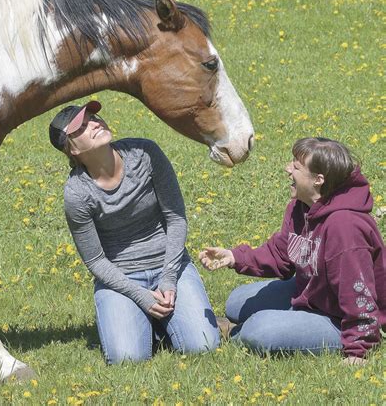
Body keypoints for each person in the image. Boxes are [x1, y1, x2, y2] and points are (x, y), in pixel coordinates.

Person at [49, 101, 219, 364]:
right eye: (82, 126)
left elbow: (175, 219)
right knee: (127, 359)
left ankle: (164, 320)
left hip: (169, 265)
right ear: (70, 148)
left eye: (94, 117)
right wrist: (138, 295)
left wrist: (169, 277)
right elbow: (95, 261)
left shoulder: (144, 153)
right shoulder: (77, 193)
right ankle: (148, 319)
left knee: (203, 346)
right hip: (122, 278)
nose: (96, 123)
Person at [199, 137, 385, 364]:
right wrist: (234, 257)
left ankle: (235, 333)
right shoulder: (301, 207)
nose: (287, 169)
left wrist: (358, 348)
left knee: (259, 331)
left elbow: (357, 292)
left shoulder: (345, 227)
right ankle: (292, 320)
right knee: (236, 301)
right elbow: (280, 254)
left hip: (339, 317)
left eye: (296, 167)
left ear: (318, 179)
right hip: (314, 295)